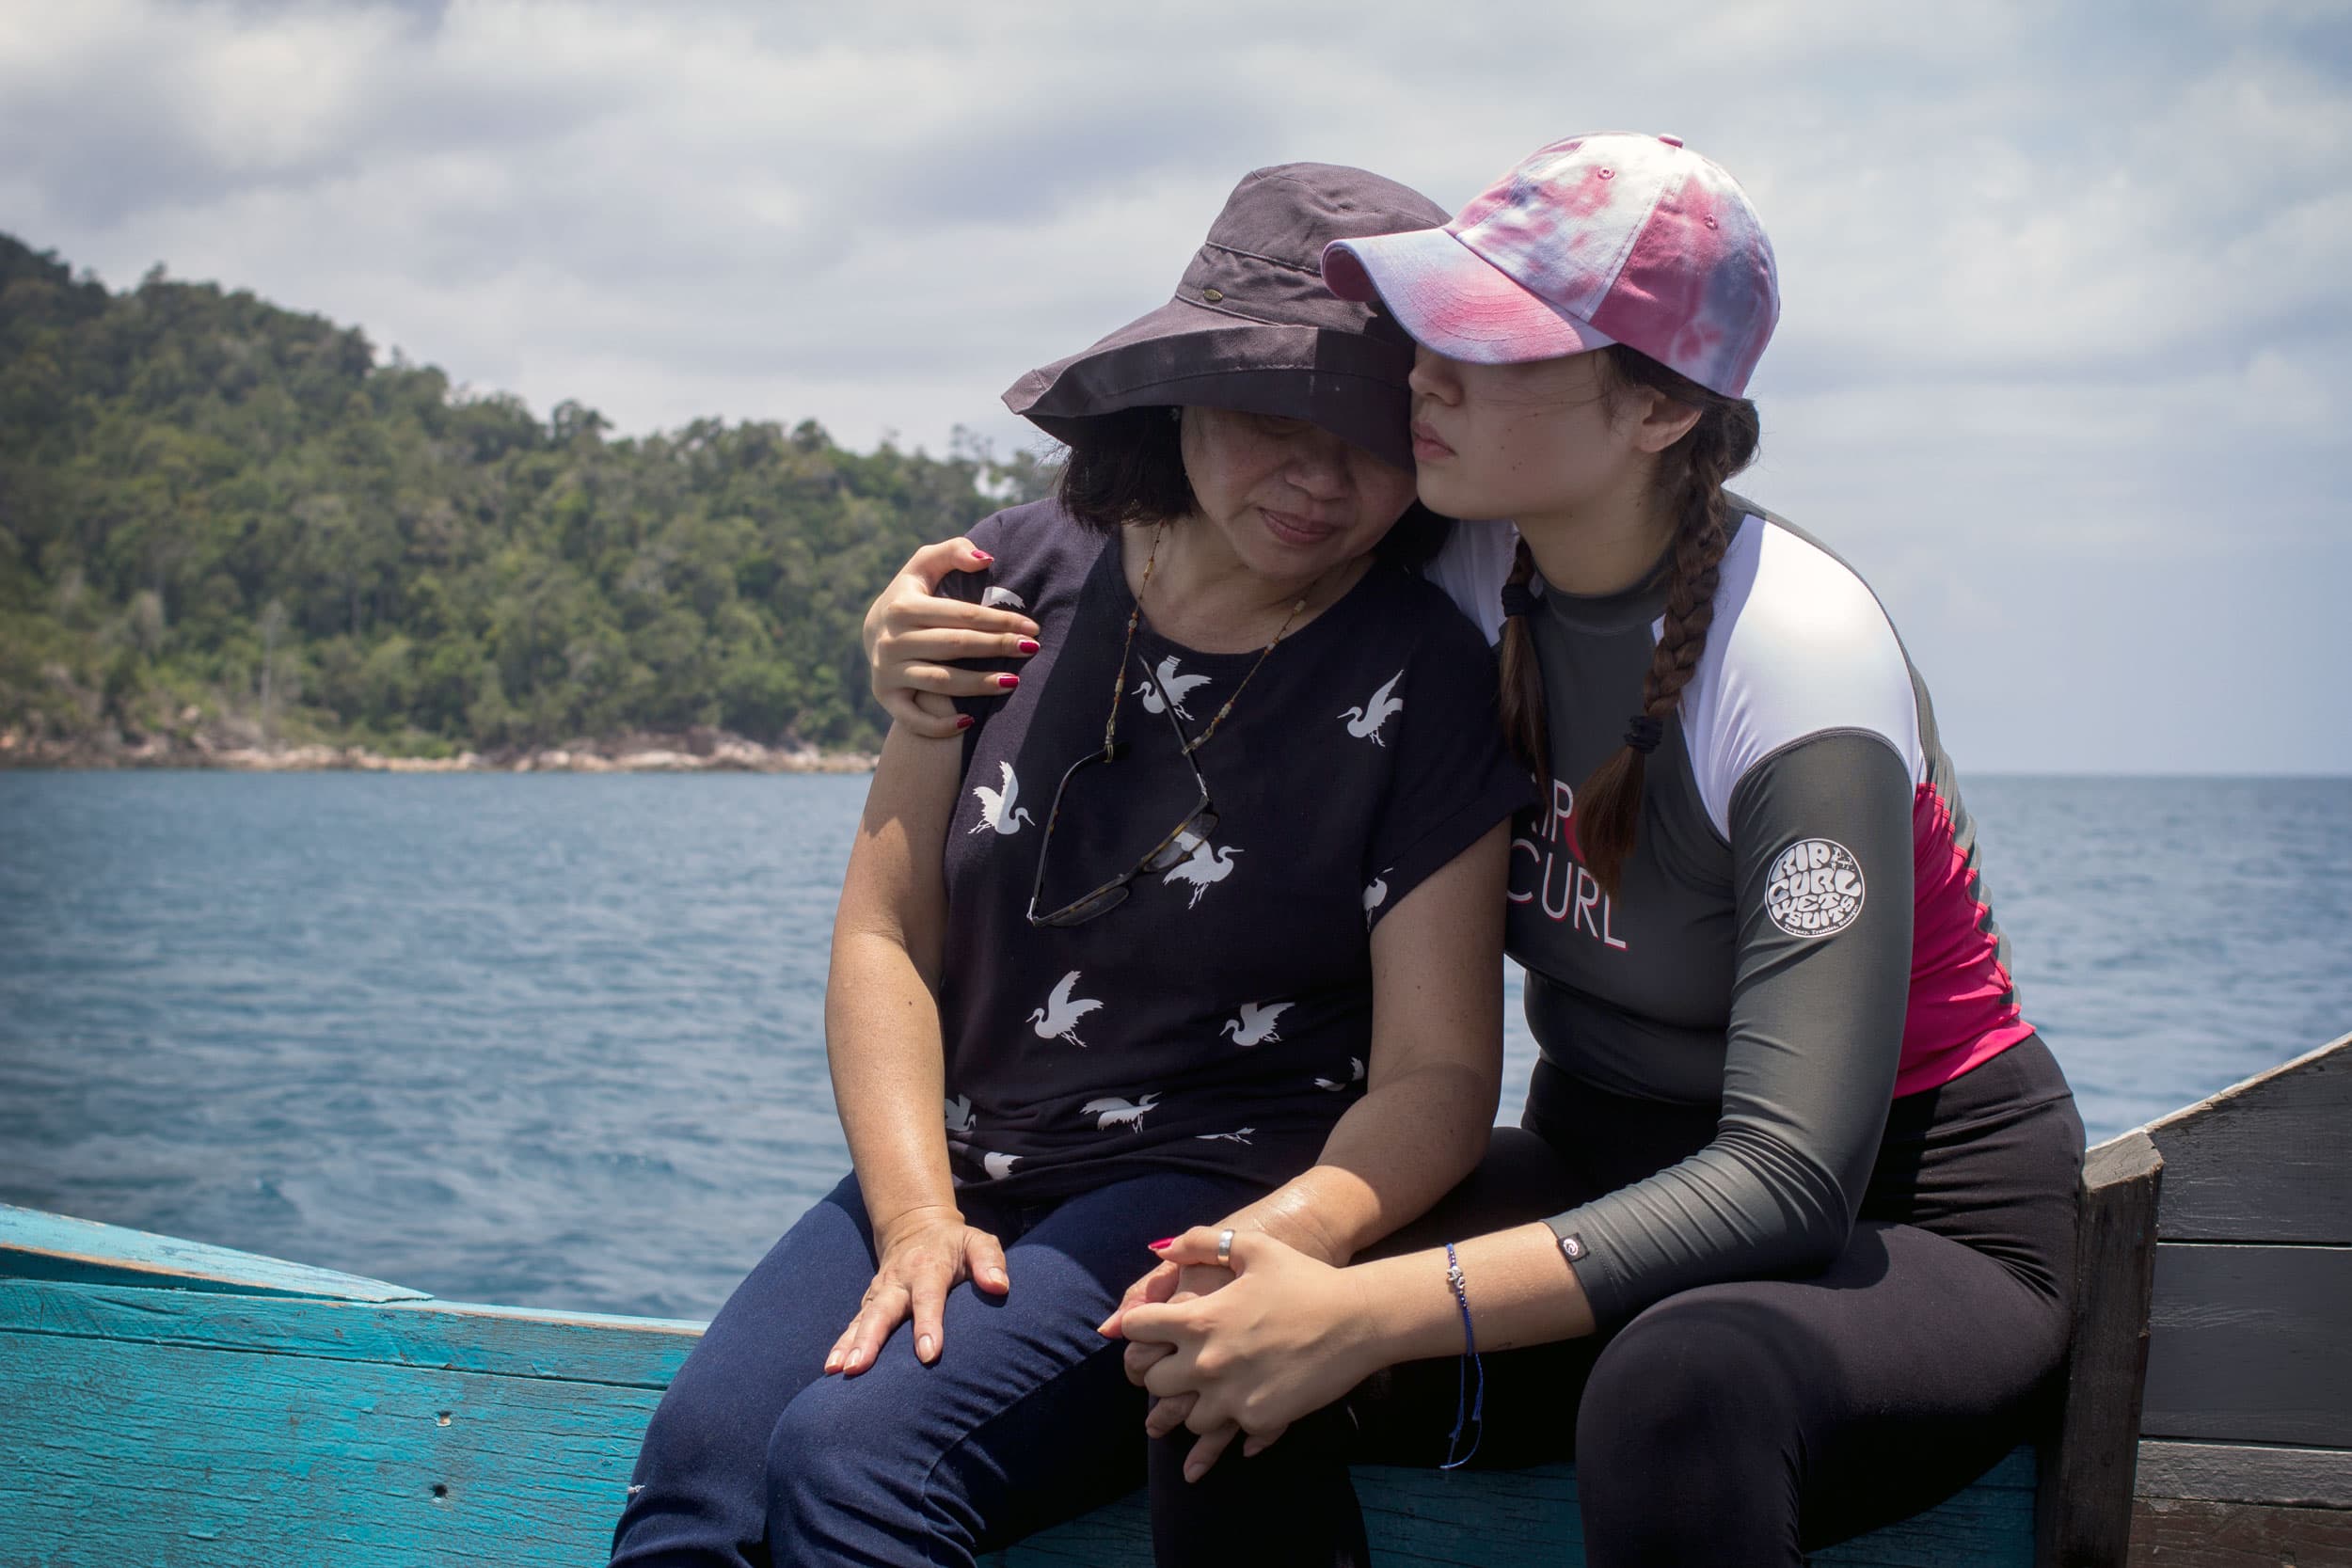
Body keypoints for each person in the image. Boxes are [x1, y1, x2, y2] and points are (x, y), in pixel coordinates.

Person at [862, 133, 2085, 1568]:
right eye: (1430, 327)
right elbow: (1149, 556)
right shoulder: (1454, 555)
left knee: (1683, 1389)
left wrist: (1370, 1308)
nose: (1422, 379)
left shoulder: (1794, 657)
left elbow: (1789, 1179)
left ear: (1657, 412)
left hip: (1901, 1219)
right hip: (1594, 1158)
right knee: (1225, 1306)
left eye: (1489, 346)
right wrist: (912, 641)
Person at [610, 163, 1532, 1568]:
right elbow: (885, 937)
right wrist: (917, 1213)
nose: (1322, 478)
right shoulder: (1002, 587)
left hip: (1211, 1182)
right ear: (1180, 395)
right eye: (1277, 417)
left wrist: (1282, 1245)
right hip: (962, 1164)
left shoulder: (1427, 672)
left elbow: (1440, 1077)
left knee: (856, 1468)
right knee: (701, 1492)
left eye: (1375, 431)